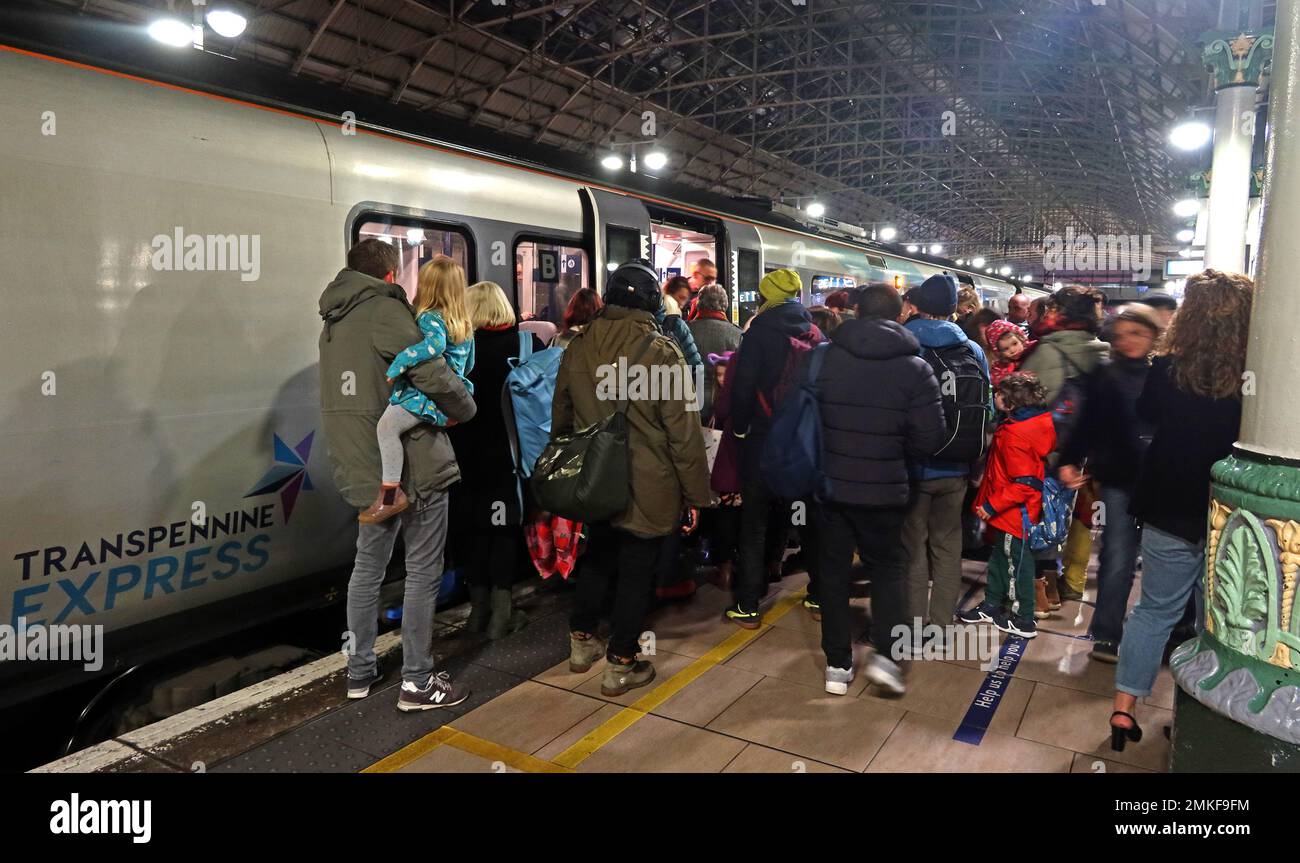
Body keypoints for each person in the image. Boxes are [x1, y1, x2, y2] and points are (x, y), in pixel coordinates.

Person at [318, 238, 475, 709]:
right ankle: (417, 683)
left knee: (366, 569)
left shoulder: (332, 321)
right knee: (423, 572)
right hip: (415, 467)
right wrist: (465, 408)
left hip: (367, 468)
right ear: (389, 276)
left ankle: (360, 672)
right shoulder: (385, 312)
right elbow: (431, 373)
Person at [1109, 270, 1253, 751]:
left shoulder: (1169, 366)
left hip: (1169, 500)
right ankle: (1198, 708)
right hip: (1231, 511)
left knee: (1153, 610)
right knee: (1216, 618)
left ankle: (1123, 710)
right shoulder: (1256, 372)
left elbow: (1147, 415)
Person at [557, 260, 713, 696]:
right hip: (649, 482)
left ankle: (582, 641)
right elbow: (683, 434)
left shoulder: (579, 345)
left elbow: (562, 416)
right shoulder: (662, 352)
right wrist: (697, 496)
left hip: (596, 478)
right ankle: (621, 662)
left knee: (599, 554)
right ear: (649, 303)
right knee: (636, 571)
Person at [816, 285, 947, 695]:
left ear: (854, 311)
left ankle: (838, 666)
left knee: (832, 574)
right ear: (901, 315)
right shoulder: (916, 368)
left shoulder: (821, 357)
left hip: (828, 486)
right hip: (886, 490)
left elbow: (804, 418)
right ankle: (888, 658)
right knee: (889, 569)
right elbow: (930, 438)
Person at [1057, 304, 1164, 663]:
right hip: (1119, 479)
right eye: (1121, 334)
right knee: (1118, 557)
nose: (1128, 341)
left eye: (1137, 333)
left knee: (1163, 563)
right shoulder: (1104, 374)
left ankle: (1162, 635)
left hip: (1163, 480)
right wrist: (1069, 459)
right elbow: (1087, 422)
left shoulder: (1167, 374)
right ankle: (1106, 635)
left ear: (1153, 335)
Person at [724, 268, 823, 628]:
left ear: (767, 296)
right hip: (801, 440)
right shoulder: (815, 333)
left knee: (754, 522)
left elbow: (743, 388)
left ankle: (748, 604)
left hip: (763, 438)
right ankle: (818, 596)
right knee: (806, 518)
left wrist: (740, 430)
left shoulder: (759, 332)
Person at [447, 281, 546, 639]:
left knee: (471, 531)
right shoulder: (527, 345)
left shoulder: (457, 351)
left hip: (462, 460)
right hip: (510, 457)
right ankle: (502, 615)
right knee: (503, 532)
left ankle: (478, 611)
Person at [900, 274, 991, 638]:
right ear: (955, 309)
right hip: (956, 464)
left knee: (912, 545)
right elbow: (987, 408)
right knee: (948, 544)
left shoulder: (906, 344)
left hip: (912, 464)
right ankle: (940, 624)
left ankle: (913, 622)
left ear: (918, 304)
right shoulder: (973, 349)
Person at [362, 256, 476, 524]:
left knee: (386, 428)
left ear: (428, 286)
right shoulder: (464, 323)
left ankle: (390, 495)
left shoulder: (429, 318)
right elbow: (469, 364)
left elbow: (433, 347)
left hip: (424, 393)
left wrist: (399, 363)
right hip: (450, 390)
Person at [1019, 285, 1108, 612]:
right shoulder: (1102, 351)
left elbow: (1025, 401)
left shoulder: (1049, 351)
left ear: (1060, 313)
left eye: (1052, 308)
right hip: (1082, 453)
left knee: (1034, 518)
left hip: (1047, 451)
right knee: (1065, 518)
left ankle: (1036, 595)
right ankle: (1058, 586)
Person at [957, 373, 1056, 639]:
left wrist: (991, 504)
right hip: (1007, 513)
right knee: (1000, 558)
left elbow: (1025, 483)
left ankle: (1023, 618)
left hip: (1014, 513)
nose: (994, 396)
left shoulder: (1016, 436)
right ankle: (991, 604)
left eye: (999, 394)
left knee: (1017, 565)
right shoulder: (1022, 424)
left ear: (1011, 403)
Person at [686, 283, 742, 420]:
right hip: (721, 406)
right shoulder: (737, 334)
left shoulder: (685, 331)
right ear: (725, 305)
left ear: (698, 304)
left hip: (687, 403)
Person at [984, 318, 1034, 388]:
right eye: (1005, 349)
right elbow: (996, 380)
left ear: (1021, 338)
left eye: (1015, 343)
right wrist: (1015, 376)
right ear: (999, 352)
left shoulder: (1034, 347)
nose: (1013, 350)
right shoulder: (1000, 367)